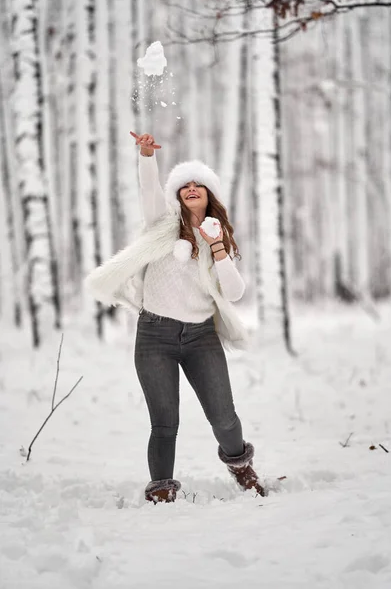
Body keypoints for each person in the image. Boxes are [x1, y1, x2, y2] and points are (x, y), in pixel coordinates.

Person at [85, 132, 265, 503]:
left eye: (200, 184)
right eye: (185, 184)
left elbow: (234, 292)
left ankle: (240, 465)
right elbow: (148, 188)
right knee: (165, 424)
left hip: (201, 337)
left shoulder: (219, 238)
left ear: (210, 195)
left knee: (224, 418)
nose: (192, 187)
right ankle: (162, 489)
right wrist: (146, 155)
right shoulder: (161, 226)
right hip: (154, 337)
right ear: (178, 195)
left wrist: (216, 247)